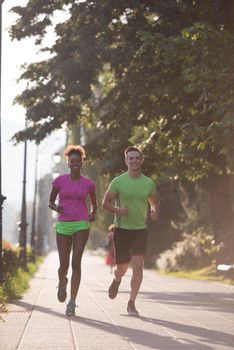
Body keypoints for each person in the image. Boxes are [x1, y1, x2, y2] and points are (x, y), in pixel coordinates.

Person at [102, 146, 159, 316]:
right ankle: (117, 280)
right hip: (122, 229)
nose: (134, 161)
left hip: (140, 229)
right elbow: (105, 203)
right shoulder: (118, 181)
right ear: (126, 161)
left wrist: (154, 210)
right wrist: (118, 211)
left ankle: (132, 302)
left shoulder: (148, 183)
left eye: (137, 158)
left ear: (141, 160)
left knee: (138, 265)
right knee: (122, 267)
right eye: (131, 158)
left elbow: (154, 202)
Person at [48, 144, 97, 316]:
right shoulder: (59, 181)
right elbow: (51, 202)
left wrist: (92, 214)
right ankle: (62, 282)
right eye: (72, 161)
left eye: (78, 161)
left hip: (81, 224)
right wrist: (57, 209)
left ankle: (72, 302)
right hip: (63, 224)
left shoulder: (89, 184)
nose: (75, 163)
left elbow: (94, 204)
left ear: (82, 163)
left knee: (76, 262)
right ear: (68, 163)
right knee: (64, 265)